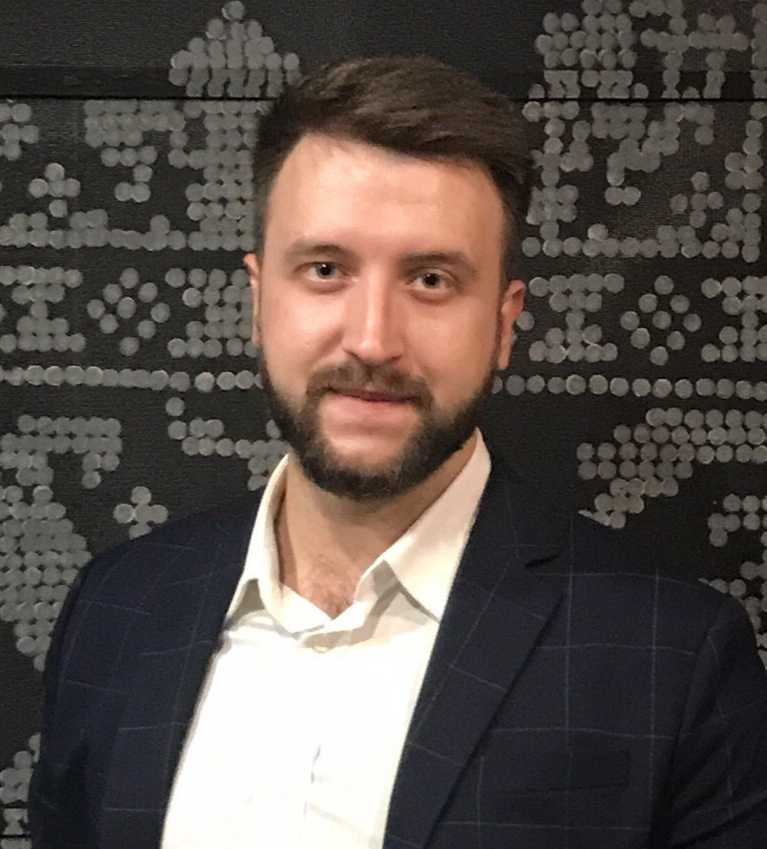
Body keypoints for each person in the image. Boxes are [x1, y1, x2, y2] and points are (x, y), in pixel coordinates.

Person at [29, 54, 767, 849]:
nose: (373, 339)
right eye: (324, 269)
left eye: (430, 280)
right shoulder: (115, 607)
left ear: (503, 322)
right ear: (257, 299)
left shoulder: (673, 653)